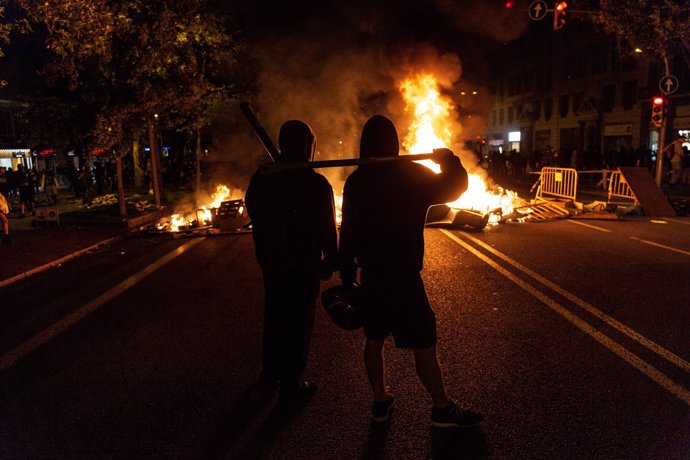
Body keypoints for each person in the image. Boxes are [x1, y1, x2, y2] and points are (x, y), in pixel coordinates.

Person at [338, 114, 482, 428]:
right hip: (403, 277)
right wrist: (449, 161)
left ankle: (380, 401)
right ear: (395, 142)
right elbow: (456, 186)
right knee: (423, 342)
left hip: (372, 276)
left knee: (373, 339)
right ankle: (441, 408)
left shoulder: (357, 181)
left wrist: (347, 272)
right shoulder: (411, 175)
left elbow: (346, 229)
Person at [245, 120, 338, 401]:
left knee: (275, 317)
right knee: (298, 321)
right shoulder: (315, 183)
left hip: (273, 262)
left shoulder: (263, 177)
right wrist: (331, 259)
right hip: (302, 263)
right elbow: (326, 225)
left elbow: (254, 209)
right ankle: (290, 383)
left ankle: (269, 377)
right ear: (309, 147)